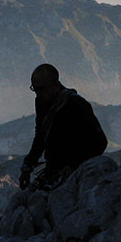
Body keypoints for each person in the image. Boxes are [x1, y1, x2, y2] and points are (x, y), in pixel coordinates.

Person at [18, 63, 108, 191]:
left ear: (55, 85)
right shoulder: (42, 102)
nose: (38, 94)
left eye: (42, 89)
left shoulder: (76, 105)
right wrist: (28, 167)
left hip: (73, 174)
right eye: (35, 89)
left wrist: (74, 165)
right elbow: (41, 136)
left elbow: (99, 142)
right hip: (53, 170)